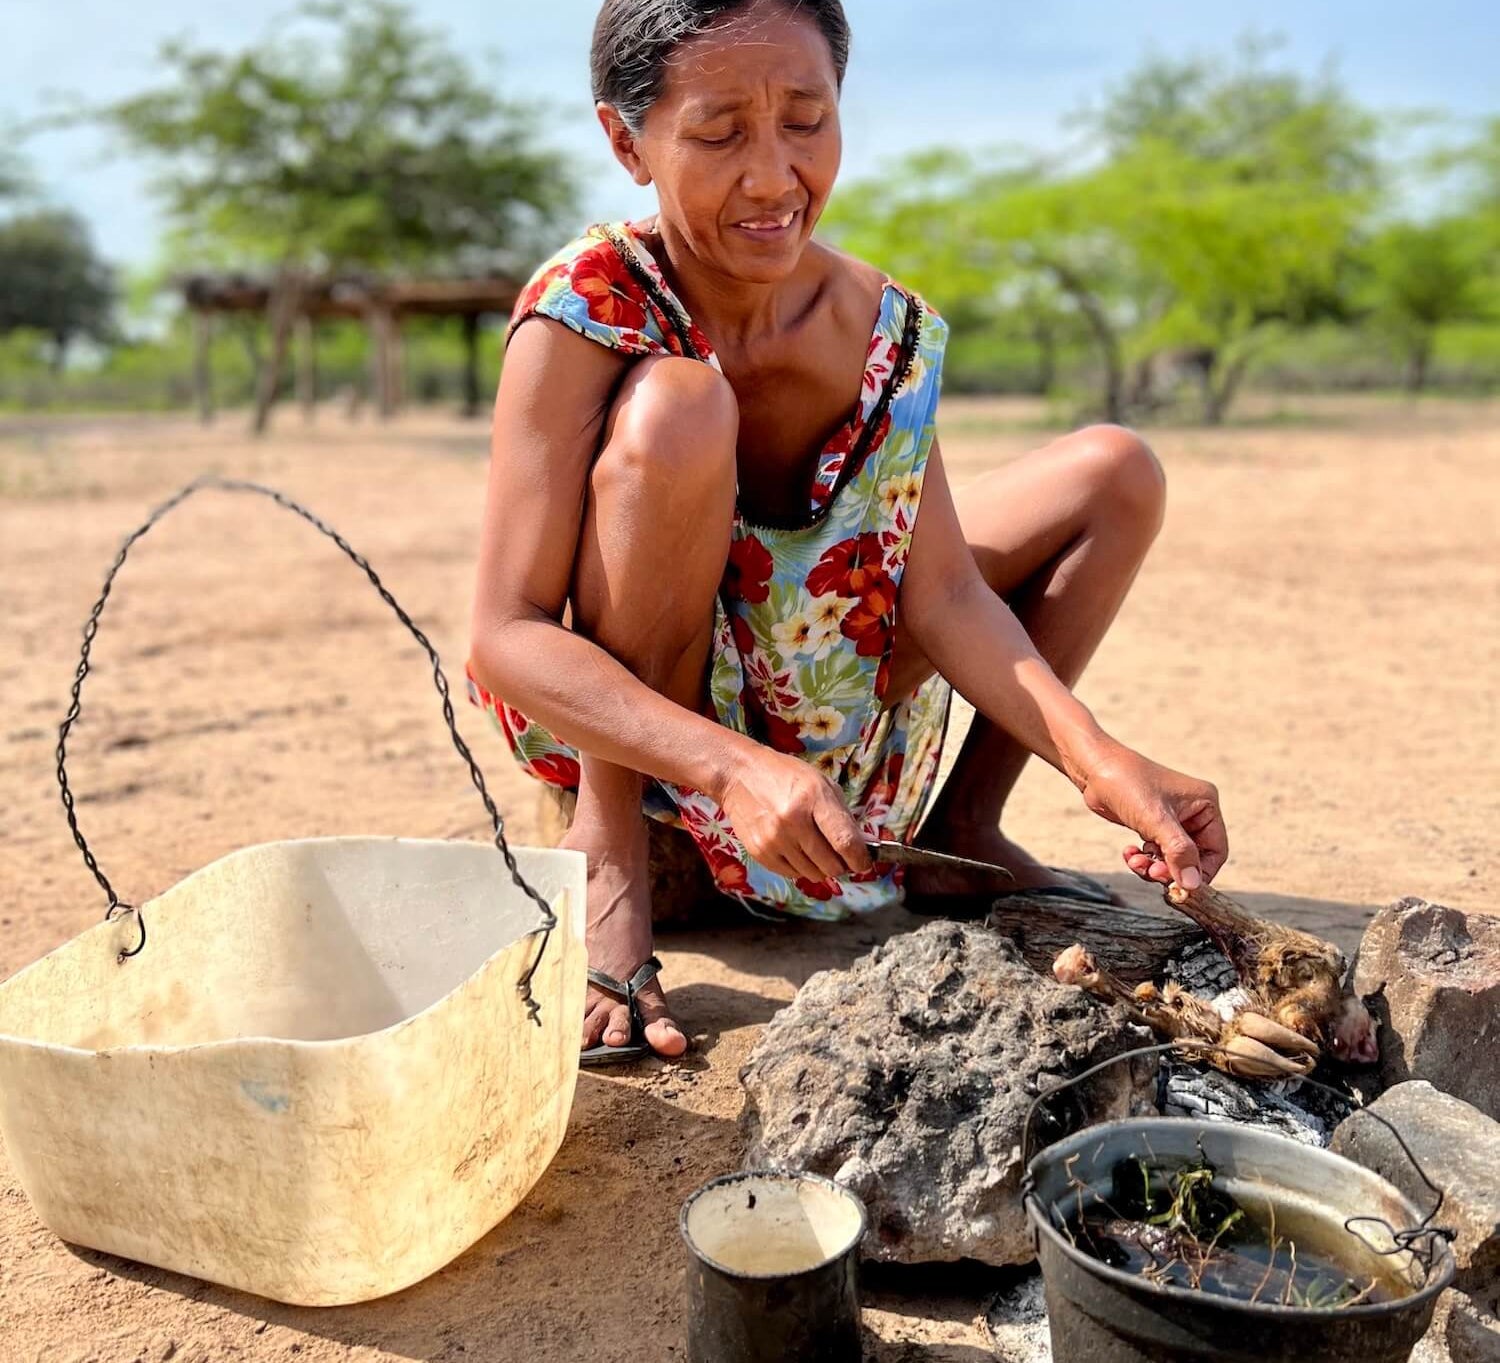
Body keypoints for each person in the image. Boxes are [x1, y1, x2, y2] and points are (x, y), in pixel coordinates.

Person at [466, 0, 1228, 1064]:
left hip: (829, 709)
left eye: (806, 121)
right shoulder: (586, 309)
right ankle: (615, 856)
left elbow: (947, 591)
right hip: (656, 726)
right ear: (627, 142)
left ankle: (962, 831)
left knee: (1116, 469)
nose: (775, 177)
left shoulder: (889, 331)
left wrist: (1095, 757)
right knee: (680, 411)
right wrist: (730, 767)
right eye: (721, 131)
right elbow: (502, 635)